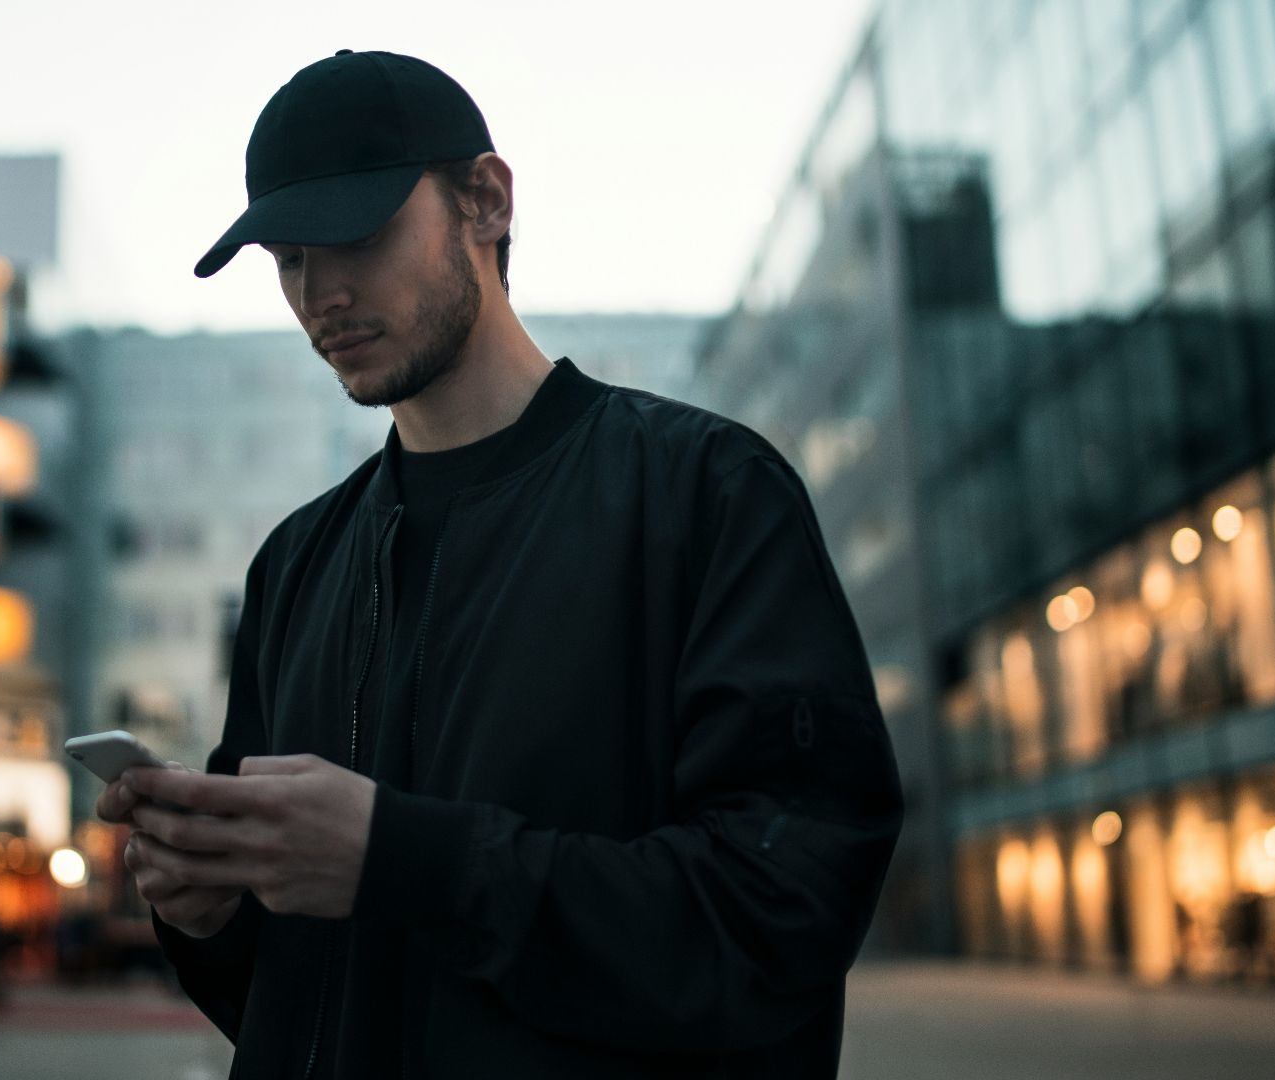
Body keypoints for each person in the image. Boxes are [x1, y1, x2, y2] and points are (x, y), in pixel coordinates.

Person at [97, 49, 903, 1078]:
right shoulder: (295, 565)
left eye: (358, 232)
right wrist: (205, 909)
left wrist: (402, 858)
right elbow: (282, 994)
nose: (320, 293)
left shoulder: (707, 494)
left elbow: (781, 916)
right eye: (288, 256)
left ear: (485, 200)